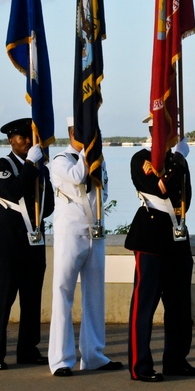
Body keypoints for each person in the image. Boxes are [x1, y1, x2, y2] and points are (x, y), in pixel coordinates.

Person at [125, 132, 195, 382]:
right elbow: (159, 190)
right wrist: (177, 162)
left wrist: (179, 161)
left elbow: (185, 200)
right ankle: (140, 366)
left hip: (177, 240)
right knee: (144, 305)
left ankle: (176, 360)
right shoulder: (141, 158)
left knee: (180, 306)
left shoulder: (180, 161)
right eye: (167, 129)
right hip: (150, 239)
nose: (174, 136)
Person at [47, 118, 121, 377]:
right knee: (63, 292)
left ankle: (93, 355)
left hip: (95, 231)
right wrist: (88, 154)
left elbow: (104, 189)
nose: (95, 137)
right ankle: (60, 360)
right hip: (70, 234)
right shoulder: (60, 160)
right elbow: (78, 177)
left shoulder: (97, 159)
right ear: (72, 134)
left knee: (95, 296)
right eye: (89, 133)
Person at [0, 118, 54, 370]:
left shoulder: (41, 169)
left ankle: (27, 349)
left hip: (33, 242)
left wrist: (35, 168)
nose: (27, 141)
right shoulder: (1, 165)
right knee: (3, 301)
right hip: (9, 243)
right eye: (22, 137)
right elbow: (11, 191)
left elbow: (49, 205)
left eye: (29, 137)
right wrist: (29, 166)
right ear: (10, 140)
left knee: (32, 301)